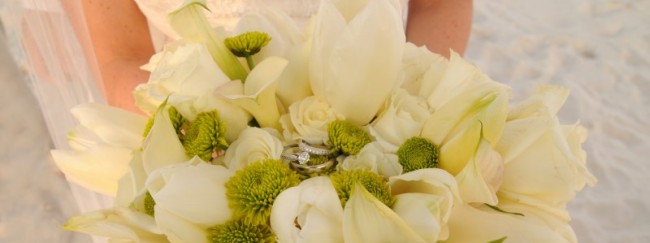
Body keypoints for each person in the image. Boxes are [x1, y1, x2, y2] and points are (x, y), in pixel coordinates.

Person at [66, 0, 473, 113]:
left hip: (385, 129)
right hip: (194, 154)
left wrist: (407, 110)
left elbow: (436, 7)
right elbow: (121, 57)